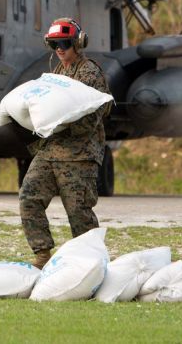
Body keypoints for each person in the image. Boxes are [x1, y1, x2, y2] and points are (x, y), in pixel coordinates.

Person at [19, 17, 112, 268]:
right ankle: (42, 254)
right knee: (29, 198)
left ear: (78, 43)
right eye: (54, 45)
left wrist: (57, 122)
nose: (59, 49)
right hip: (50, 152)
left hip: (79, 155)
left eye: (65, 44)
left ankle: (92, 264)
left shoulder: (89, 72)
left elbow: (91, 117)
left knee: (79, 214)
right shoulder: (57, 73)